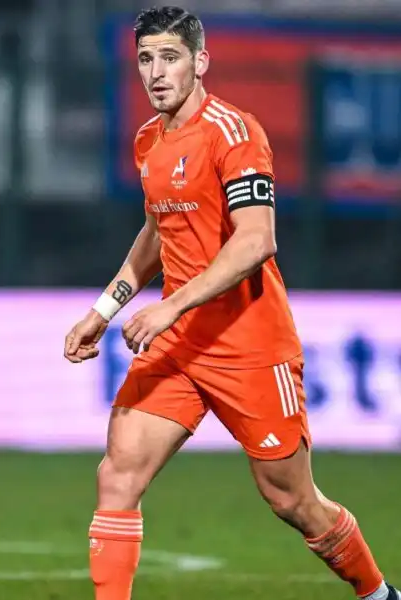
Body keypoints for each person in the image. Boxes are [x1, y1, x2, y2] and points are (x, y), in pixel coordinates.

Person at [64, 6, 400, 600]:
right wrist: (105, 308)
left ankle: (377, 594)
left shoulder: (234, 133)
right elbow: (157, 232)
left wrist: (171, 306)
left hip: (249, 343)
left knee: (292, 500)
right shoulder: (149, 140)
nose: (156, 73)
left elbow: (256, 240)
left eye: (170, 58)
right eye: (145, 59)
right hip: (178, 347)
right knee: (118, 475)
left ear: (201, 62)